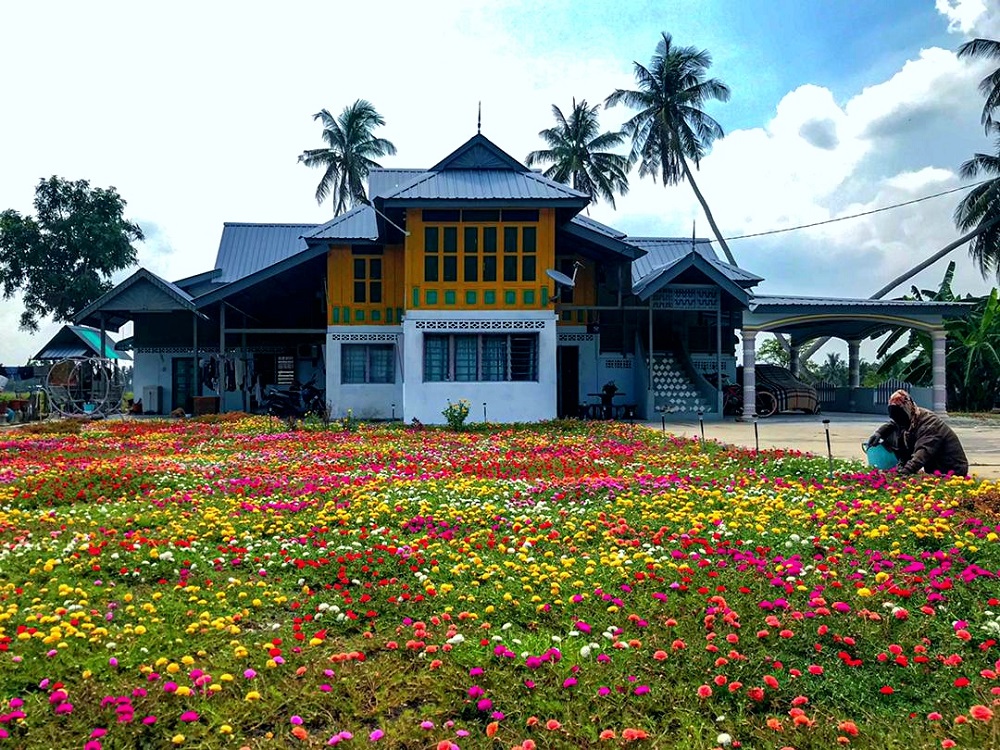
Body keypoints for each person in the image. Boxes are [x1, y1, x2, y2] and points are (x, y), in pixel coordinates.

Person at [866, 389, 968, 476]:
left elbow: (921, 454)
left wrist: (904, 473)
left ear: (908, 410)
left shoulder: (929, 424)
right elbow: (894, 423)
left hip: (952, 470)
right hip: (935, 469)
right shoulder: (910, 417)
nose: (899, 421)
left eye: (901, 416)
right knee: (897, 435)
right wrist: (879, 433)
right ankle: (902, 463)